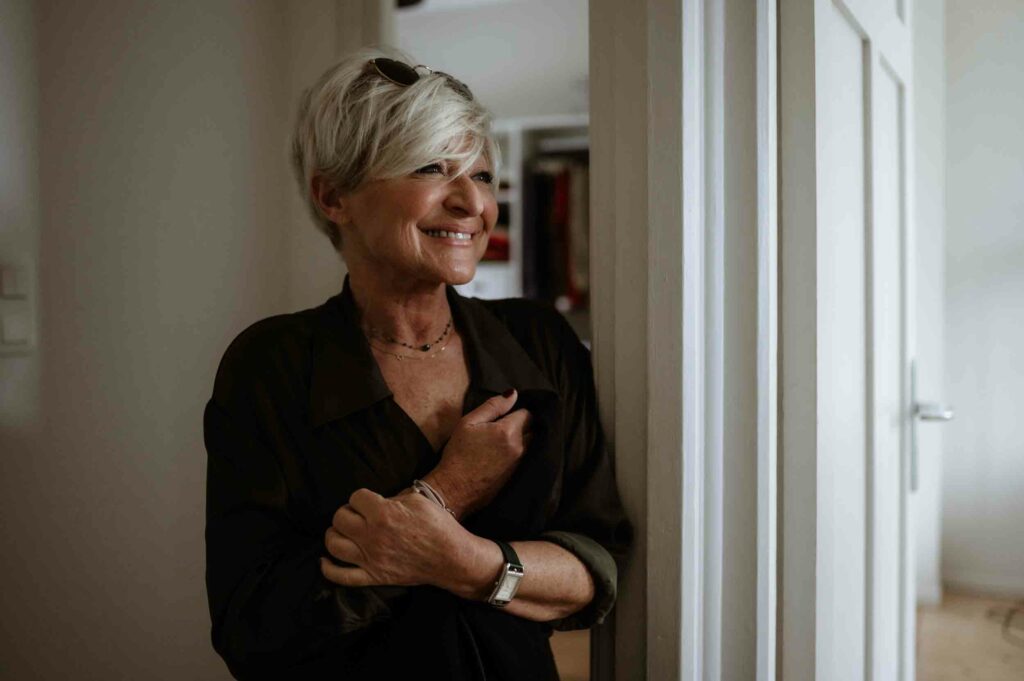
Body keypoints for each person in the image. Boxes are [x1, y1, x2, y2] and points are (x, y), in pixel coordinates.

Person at [203, 47, 631, 680]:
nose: (471, 203)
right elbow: (253, 627)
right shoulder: (272, 365)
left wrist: (460, 561)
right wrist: (447, 490)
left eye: (481, 175)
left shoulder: (538, 341)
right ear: (334, 195)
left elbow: (595, 566)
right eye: (431, 167)